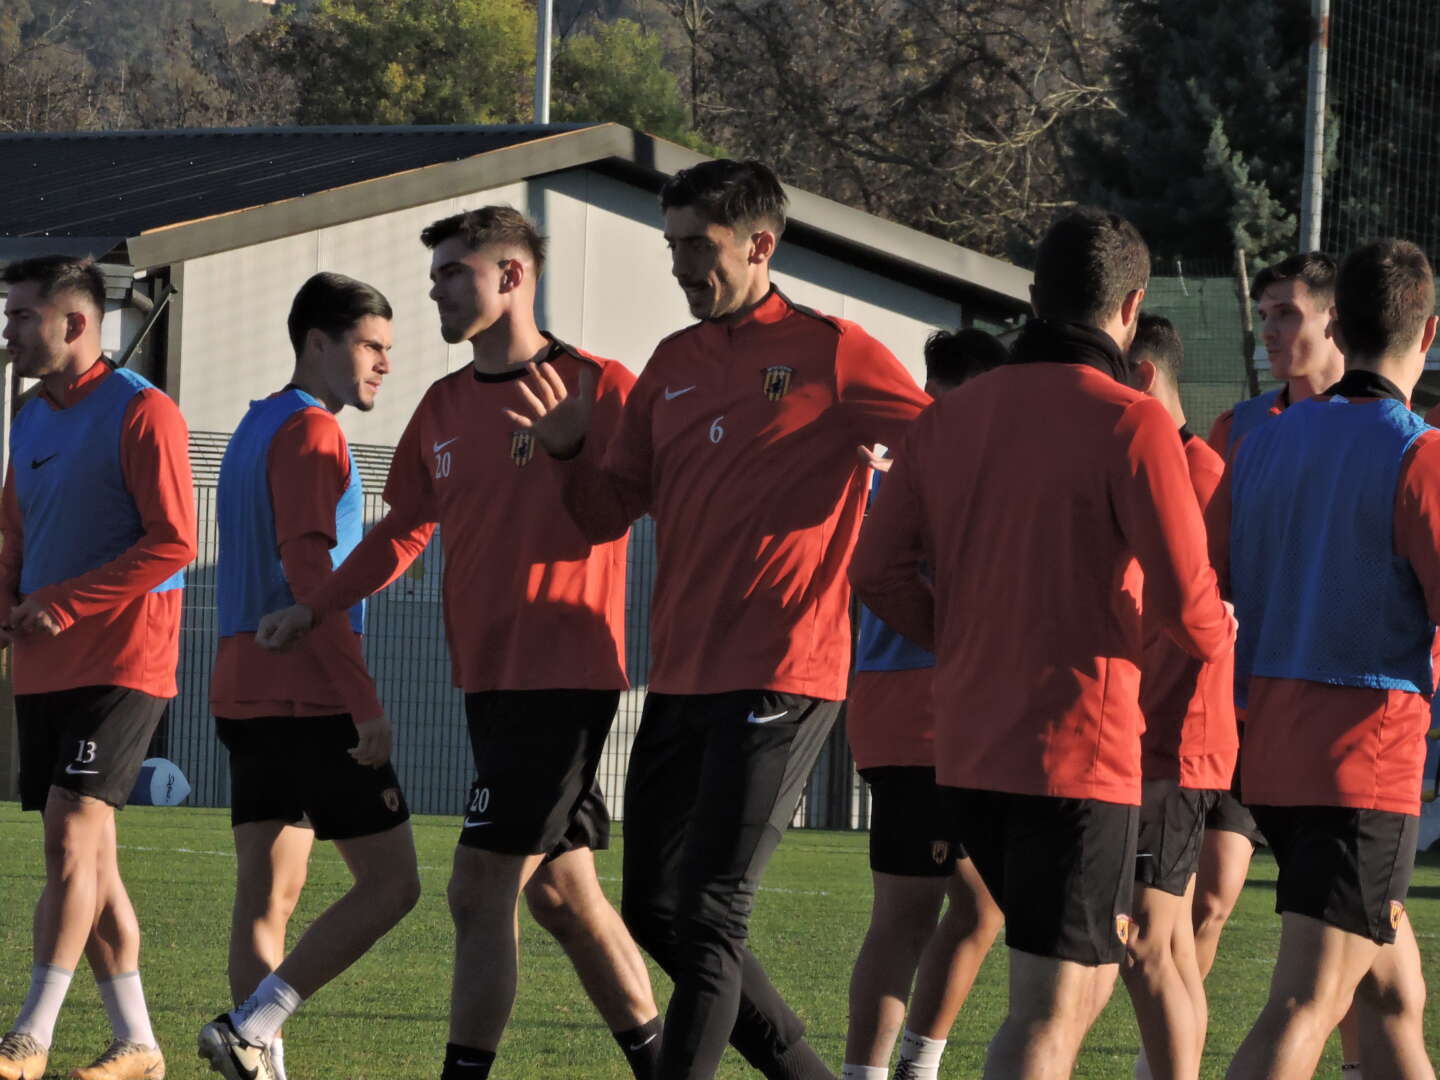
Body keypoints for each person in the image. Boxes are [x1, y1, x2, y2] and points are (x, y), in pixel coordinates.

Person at [507, 158, 930, 1080]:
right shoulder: (673, 362)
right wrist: (571, 454)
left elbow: (942, 448)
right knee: (658, 907)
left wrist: (898, 500)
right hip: (683, 677)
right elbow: (604, 511)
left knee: (711, 910)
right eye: (671, 246)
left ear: (760, 245)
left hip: (785, 670)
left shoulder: (834, 351)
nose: (679, 265)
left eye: (697, 245)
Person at [256, 207, 662, 1080]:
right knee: (564, 896)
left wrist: (570, 455)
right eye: (435, 272)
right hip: (488, 683)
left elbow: (630, 506)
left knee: (477, 892)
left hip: (562, 679)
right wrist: (315, 608)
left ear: (511, 277)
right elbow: (401, 530)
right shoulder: (441, 404)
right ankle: (669, 1065)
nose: (433, 287)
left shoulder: (599, 385)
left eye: (452, 271)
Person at [851, 208, 1235, 1080]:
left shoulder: (946, 419)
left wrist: (964, 637)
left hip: (970, 748)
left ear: (1032, 298)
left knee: (1082, 977)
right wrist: (1222, 631)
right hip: (1076, 751)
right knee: (1050, 1010)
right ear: (1131, 307)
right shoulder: (1131, 421)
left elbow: (875, 572)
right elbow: (1187, 601)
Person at [1217, 238, 1438, 1080]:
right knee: (1308, 1002)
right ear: (1429, 336)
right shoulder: (1416, 452)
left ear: (1339, 325)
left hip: (1273, 749)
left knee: (1392, 996)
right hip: (1363, 760)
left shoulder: (1264, 440)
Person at [196, 273, 420, 1080]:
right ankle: (254, 1028)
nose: (385, 365)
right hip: (310, 692)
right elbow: (304, 572)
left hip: (243, 687)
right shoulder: (313, 432)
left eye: (389, 350)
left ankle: (260, 1060)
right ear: (316, 342)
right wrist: (365, 705)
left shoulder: (255, 425)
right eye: (370, 345)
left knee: (265, 901)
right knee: (395, 885)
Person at [0, 255, 196, 1080]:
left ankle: (30, 1036)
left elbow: (173, 540)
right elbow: (14, 531)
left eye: (19, 316)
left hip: (123, 658)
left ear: (74, 323)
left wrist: (69, 602)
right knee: (93, 856)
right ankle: (138, 1044)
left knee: (71, 835)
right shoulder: (28, 414)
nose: (8, 332)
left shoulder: (146, 414)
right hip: (44, 661)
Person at [842, 328, 1008, 1080]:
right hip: (920, 719)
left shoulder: (925, 463)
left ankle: (919, 1064)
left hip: (951, 715)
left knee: (980, 909)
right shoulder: (924, 468)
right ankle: (869, 1073)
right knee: (906, 917)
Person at [1195, 252, 1342, 987]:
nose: (1270, 332)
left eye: (1287, 313)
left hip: (1331, 714)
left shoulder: (1386, 428)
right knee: (1208, 901)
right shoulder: (1240, 428)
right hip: (1243, 707)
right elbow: (1207, 566)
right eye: (1263, 317)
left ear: (1333, 317)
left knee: (1341, 926)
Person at [1124, 314, 1237, 1080]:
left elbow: (1206, 614)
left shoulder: (1197, 475)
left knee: (1146, 942)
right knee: (1169, 950)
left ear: (1142, 378)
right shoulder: (1166, 463)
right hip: (1157, 733)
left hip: (1176, 733)